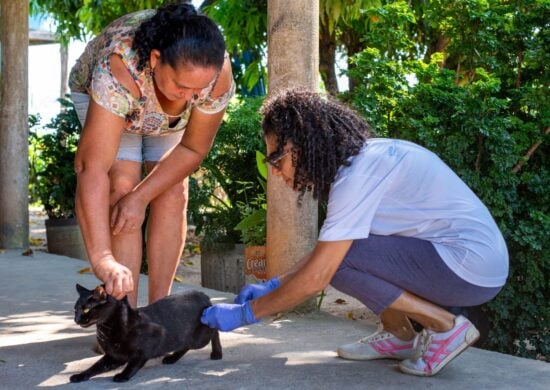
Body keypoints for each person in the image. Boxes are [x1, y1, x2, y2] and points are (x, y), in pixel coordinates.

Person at [201, 89, 509, 377]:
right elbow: (329, 252)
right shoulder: (361, 162)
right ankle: (399, 335)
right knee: (343, 255)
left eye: (277, 159)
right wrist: (275, 284)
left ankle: (444, 326)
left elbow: (321, 274)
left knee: (340, 265)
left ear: (305, 143)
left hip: (469, 268)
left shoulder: (357, 175)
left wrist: (246, 315)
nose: (275, 171)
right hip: (469, 262)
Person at [69, 3, 234, 307]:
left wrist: (142, 197)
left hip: (164, 119)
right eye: (183, 86)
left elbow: (193, 149)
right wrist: (102, 258)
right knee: (122, 186)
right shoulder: (118, 68)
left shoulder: (213, 74)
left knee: (172, 189)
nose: (192, 98)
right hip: (117, 98)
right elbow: (90, 169)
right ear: (156, 59)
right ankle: (124, 316)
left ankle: (161, 314)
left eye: (200, 90)